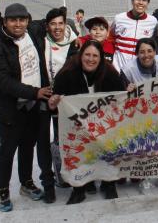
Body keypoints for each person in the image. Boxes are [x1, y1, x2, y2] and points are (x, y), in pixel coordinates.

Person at [0, 2, 55, 211]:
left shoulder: (32, 30)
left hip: (32, 105)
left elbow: (55, 20)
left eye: (21, 19)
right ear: (5, 22)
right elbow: (3, 81)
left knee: (27, 145)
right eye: (13, 20)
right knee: (7, 149)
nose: (18, 24)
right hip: (8, 107)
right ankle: (2, 189)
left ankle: (26, 182)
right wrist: (35, 92)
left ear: (28, 21)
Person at [48, 40, 125, 203]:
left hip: (103, 123)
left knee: (109, 147)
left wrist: (129, 91)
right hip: (77, 125)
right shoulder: (67, 73)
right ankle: (79, 188)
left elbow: (122, 97)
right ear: (80, 55)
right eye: (87, 55)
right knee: (77, 151)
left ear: (101, 58)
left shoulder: (110, 72)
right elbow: (56, 106)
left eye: (95, 56)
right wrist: (53, 103)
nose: (91, 59)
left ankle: (109, 183)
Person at [119, 38, 158, 193]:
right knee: (145, 145)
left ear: (155, 52)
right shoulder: (128, 69)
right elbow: (121, 94)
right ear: (137, 54)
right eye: (142, 52)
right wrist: (127, 88)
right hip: (140, 113)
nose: (146, 55)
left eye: (149, 51)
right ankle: (146, 177)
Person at [111, 0, 158, 73]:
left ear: (148, 3)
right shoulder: (119, 18)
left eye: (144, 0)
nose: (140, 2)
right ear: (132, 1)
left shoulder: (153, 21)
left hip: (141, 71)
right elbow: (111, 37)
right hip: (118, 69)